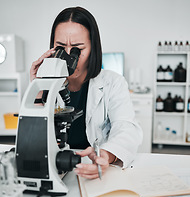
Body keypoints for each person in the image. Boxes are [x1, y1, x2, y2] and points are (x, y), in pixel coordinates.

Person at [30, 6, 143, 179]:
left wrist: (106, 155)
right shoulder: (46, 83)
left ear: (93, 49)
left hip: (92, 168)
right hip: (55, 166)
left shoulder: (112, 82)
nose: (68, 57)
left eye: (77, 49)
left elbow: (126, 128)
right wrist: (37, 90)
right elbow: (32, 137)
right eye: (60, 47)